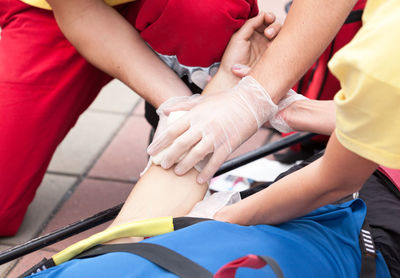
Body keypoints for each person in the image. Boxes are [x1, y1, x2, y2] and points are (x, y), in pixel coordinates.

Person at [0, 0, 279, 236]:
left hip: (170, 7)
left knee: (205, 12)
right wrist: (178, 106)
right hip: (61, 12)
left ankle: (188, 143)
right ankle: (183, 128)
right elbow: (81, 12)